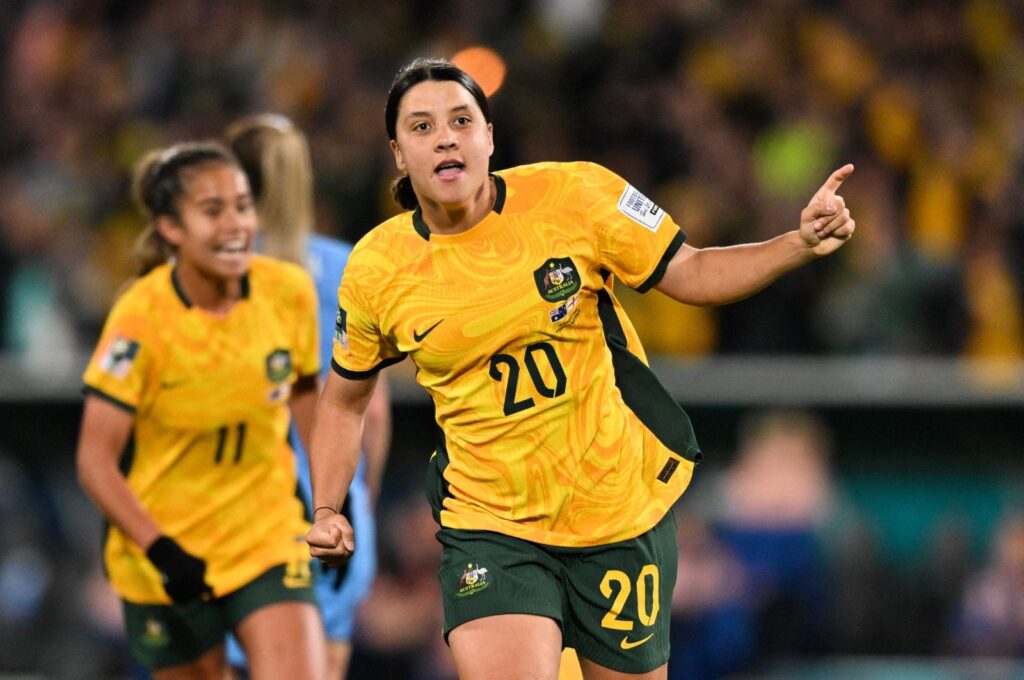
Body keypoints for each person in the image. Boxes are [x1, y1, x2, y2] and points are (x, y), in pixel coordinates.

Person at [305, 57, 855, 680]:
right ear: (399, 155)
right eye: (422, 127)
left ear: (489, 135)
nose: (446, 138)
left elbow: (693, 271)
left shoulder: (579, 195)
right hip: (490, 524)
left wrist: (797, 242)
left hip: (615, 511)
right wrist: (327, 508)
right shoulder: (377, 268)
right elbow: (343, 400)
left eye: (461, 120)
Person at [76, 141, 328, 679]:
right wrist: (163, 551)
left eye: (242, 205)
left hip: (266, 535)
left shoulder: (289, 292)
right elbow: (95, 459)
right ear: (171, 228)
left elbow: (306, 396)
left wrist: (330, 501)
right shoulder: (139, 318)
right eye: (212, 211)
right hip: (164, 555)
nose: (236, 224)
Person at [224, 113, 392, 679]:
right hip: (332, 511)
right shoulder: (348, 267)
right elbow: (374, 412)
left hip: (241, 507)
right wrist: (356, 507)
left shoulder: (214, 277)